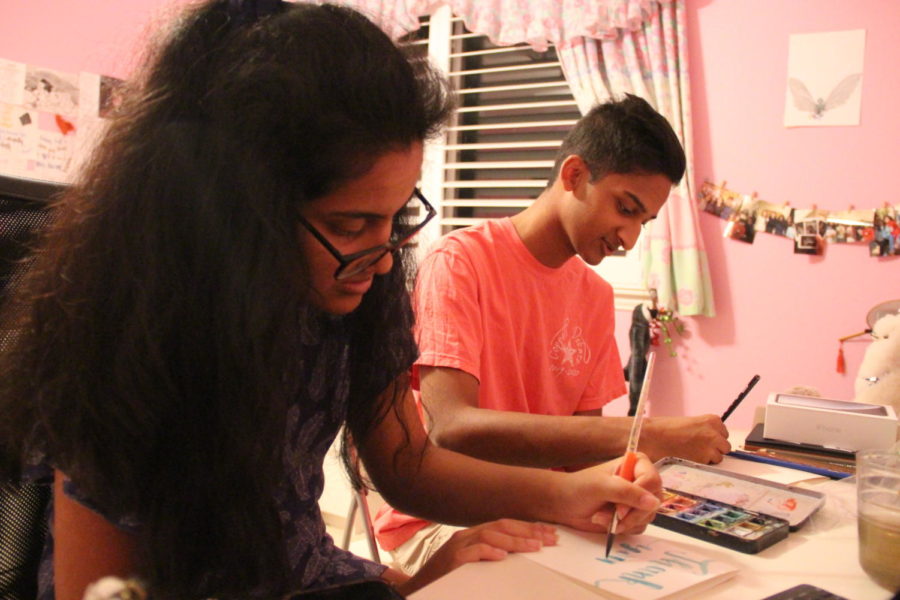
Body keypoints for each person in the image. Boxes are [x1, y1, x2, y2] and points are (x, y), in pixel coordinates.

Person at [0, 3, 663, 600]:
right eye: (350, 226)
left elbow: (407, 464)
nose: (381, 257)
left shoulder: (359, 292)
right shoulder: (127, 339)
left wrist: (566, 495)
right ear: (238, 213)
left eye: (396, 217)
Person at [374, 95, 731, 575]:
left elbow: (578, 447)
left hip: (546, 509)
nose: (629, 238)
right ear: (575, 175)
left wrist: (621, 479)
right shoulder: (460, 263)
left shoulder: (594, 295)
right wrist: (648, 435)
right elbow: (452, 428)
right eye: (625, 209)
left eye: (642, 223)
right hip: (442, 517)